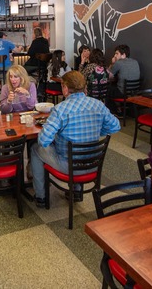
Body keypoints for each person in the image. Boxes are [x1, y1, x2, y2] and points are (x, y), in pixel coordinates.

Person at [30, 71, 121, 207]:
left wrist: (53, 132)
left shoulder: (60, 109)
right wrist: (97, 130)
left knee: (35, 149)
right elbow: (115, 126)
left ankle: (40, 197)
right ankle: (76, 192)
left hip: (68, 166)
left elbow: (43, 141)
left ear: (65, 88)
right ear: (84, 87)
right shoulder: (98, 105)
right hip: (93, 164)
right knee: (76, 146)